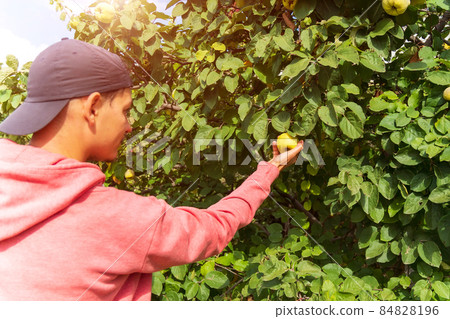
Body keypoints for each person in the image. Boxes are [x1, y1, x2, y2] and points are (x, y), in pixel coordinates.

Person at [0, 39, 304, 300]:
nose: (129, 125)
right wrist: (272, 166)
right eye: (125, 110)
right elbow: (213, 229)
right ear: (92, 108)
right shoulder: (115, 218)